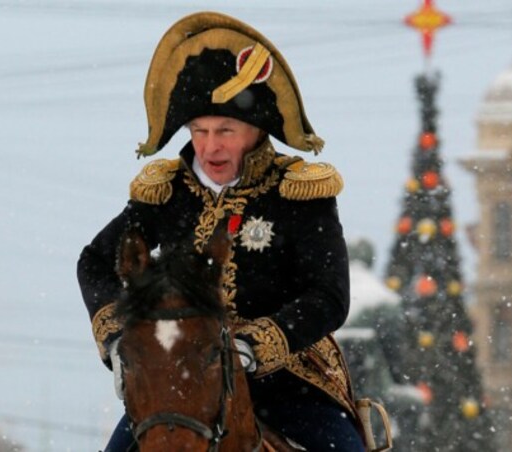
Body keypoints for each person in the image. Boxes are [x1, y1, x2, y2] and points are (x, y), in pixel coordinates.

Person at [78, 11, 366, 451]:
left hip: (288, 382)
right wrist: (119, 339)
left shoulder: (298, 193)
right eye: (200, 131)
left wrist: (257, 344)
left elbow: (329, 295)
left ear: (255, 130)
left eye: (226, 131)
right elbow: (95, 262)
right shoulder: (166, 193)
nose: (211, 146)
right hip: (184, 383)